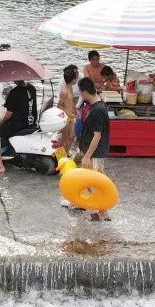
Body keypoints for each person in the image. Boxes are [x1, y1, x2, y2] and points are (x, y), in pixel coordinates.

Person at [76, 77, 112, 221]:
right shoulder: (95, 104)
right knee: (89, 179)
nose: (80, 95)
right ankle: (95, 207)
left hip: (95, 153)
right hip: (90, 150)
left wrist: (87, 156)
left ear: (84, 92)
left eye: (80, 92)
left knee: (97, 182)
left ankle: (103, 212)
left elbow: (97, 136)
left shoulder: (97, 110)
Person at [0, 79, 37, 174]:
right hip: (30, 121)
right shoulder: (32, 88)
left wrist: (1, 122)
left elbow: (9, 114)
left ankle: (0, 166)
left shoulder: (15, 92)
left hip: (17, 123)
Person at [58, 64, 79, 153]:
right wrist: (68, 113)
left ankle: (65, 153)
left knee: (72, 136)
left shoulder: (70, 88)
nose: (77, 78)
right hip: (66, 117)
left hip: (71, 116)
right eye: (75, 77)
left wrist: (75, 109)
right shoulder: (64, 91)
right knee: (65, 139)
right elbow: (59, 106)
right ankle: (63, 156)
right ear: (73, 79)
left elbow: (71, 101)